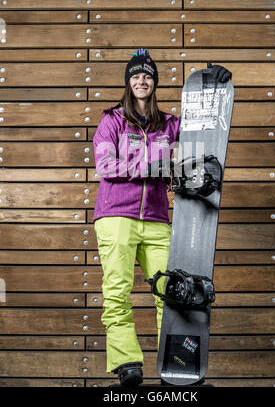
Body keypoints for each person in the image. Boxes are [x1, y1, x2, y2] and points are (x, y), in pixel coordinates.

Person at [92, 48, 232, 387]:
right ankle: (127, 364)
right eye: (136, 75)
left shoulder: (170, 125)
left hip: (157, 219)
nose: (142, 80)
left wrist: (212, 95)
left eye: (148, 75)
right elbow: (105, 166)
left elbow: (201, 140)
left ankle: (175, 360)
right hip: (116, 217)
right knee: (116, 293)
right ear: (128, 82)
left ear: (154, 83)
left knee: (171, 292)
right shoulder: (111, 120)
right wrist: (154, 167)